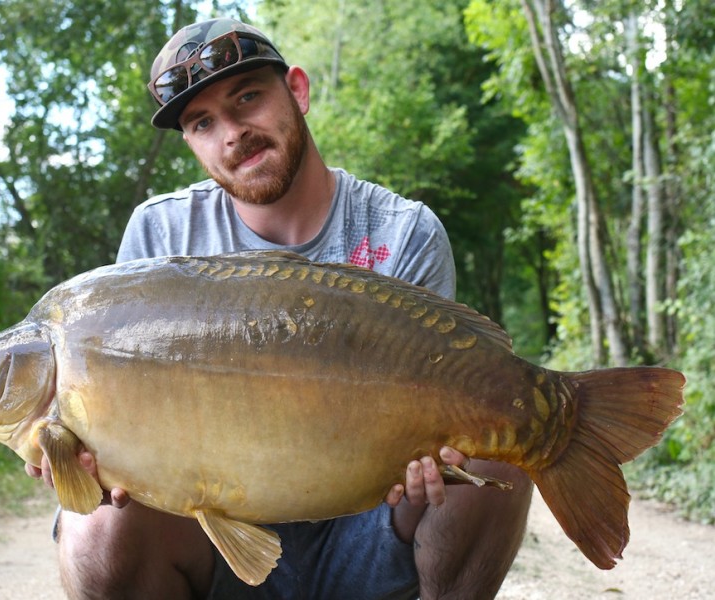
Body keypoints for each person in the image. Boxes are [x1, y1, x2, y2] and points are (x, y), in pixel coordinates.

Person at [27, 17, 532, 600]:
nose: (233, 133)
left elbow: (446, 401)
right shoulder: (161, 234)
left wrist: (436, 455)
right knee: (96, 531)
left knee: (507, 441)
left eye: (247, 98)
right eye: (203, 122)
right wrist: (88, 461)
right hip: (214, 540)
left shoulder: (403, 231)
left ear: (297, 90)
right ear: (190, 143)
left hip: (373, 521)